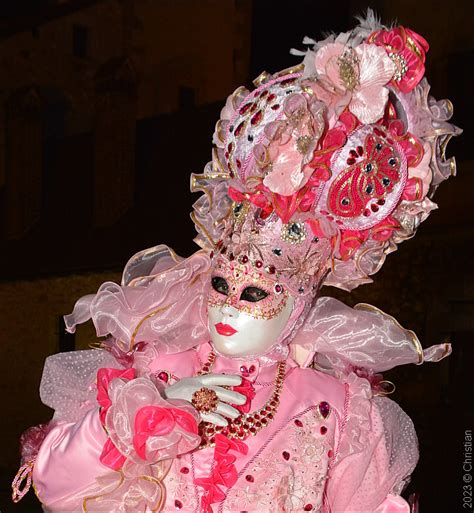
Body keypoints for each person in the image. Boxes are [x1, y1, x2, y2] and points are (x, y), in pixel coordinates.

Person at [12, 12, 460, 513]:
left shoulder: (342, 409)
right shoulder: (151, 371)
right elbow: (54, 484)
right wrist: (147, 414)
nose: (228, 305)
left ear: (297, 300)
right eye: (222, 283)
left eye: (254, 293)